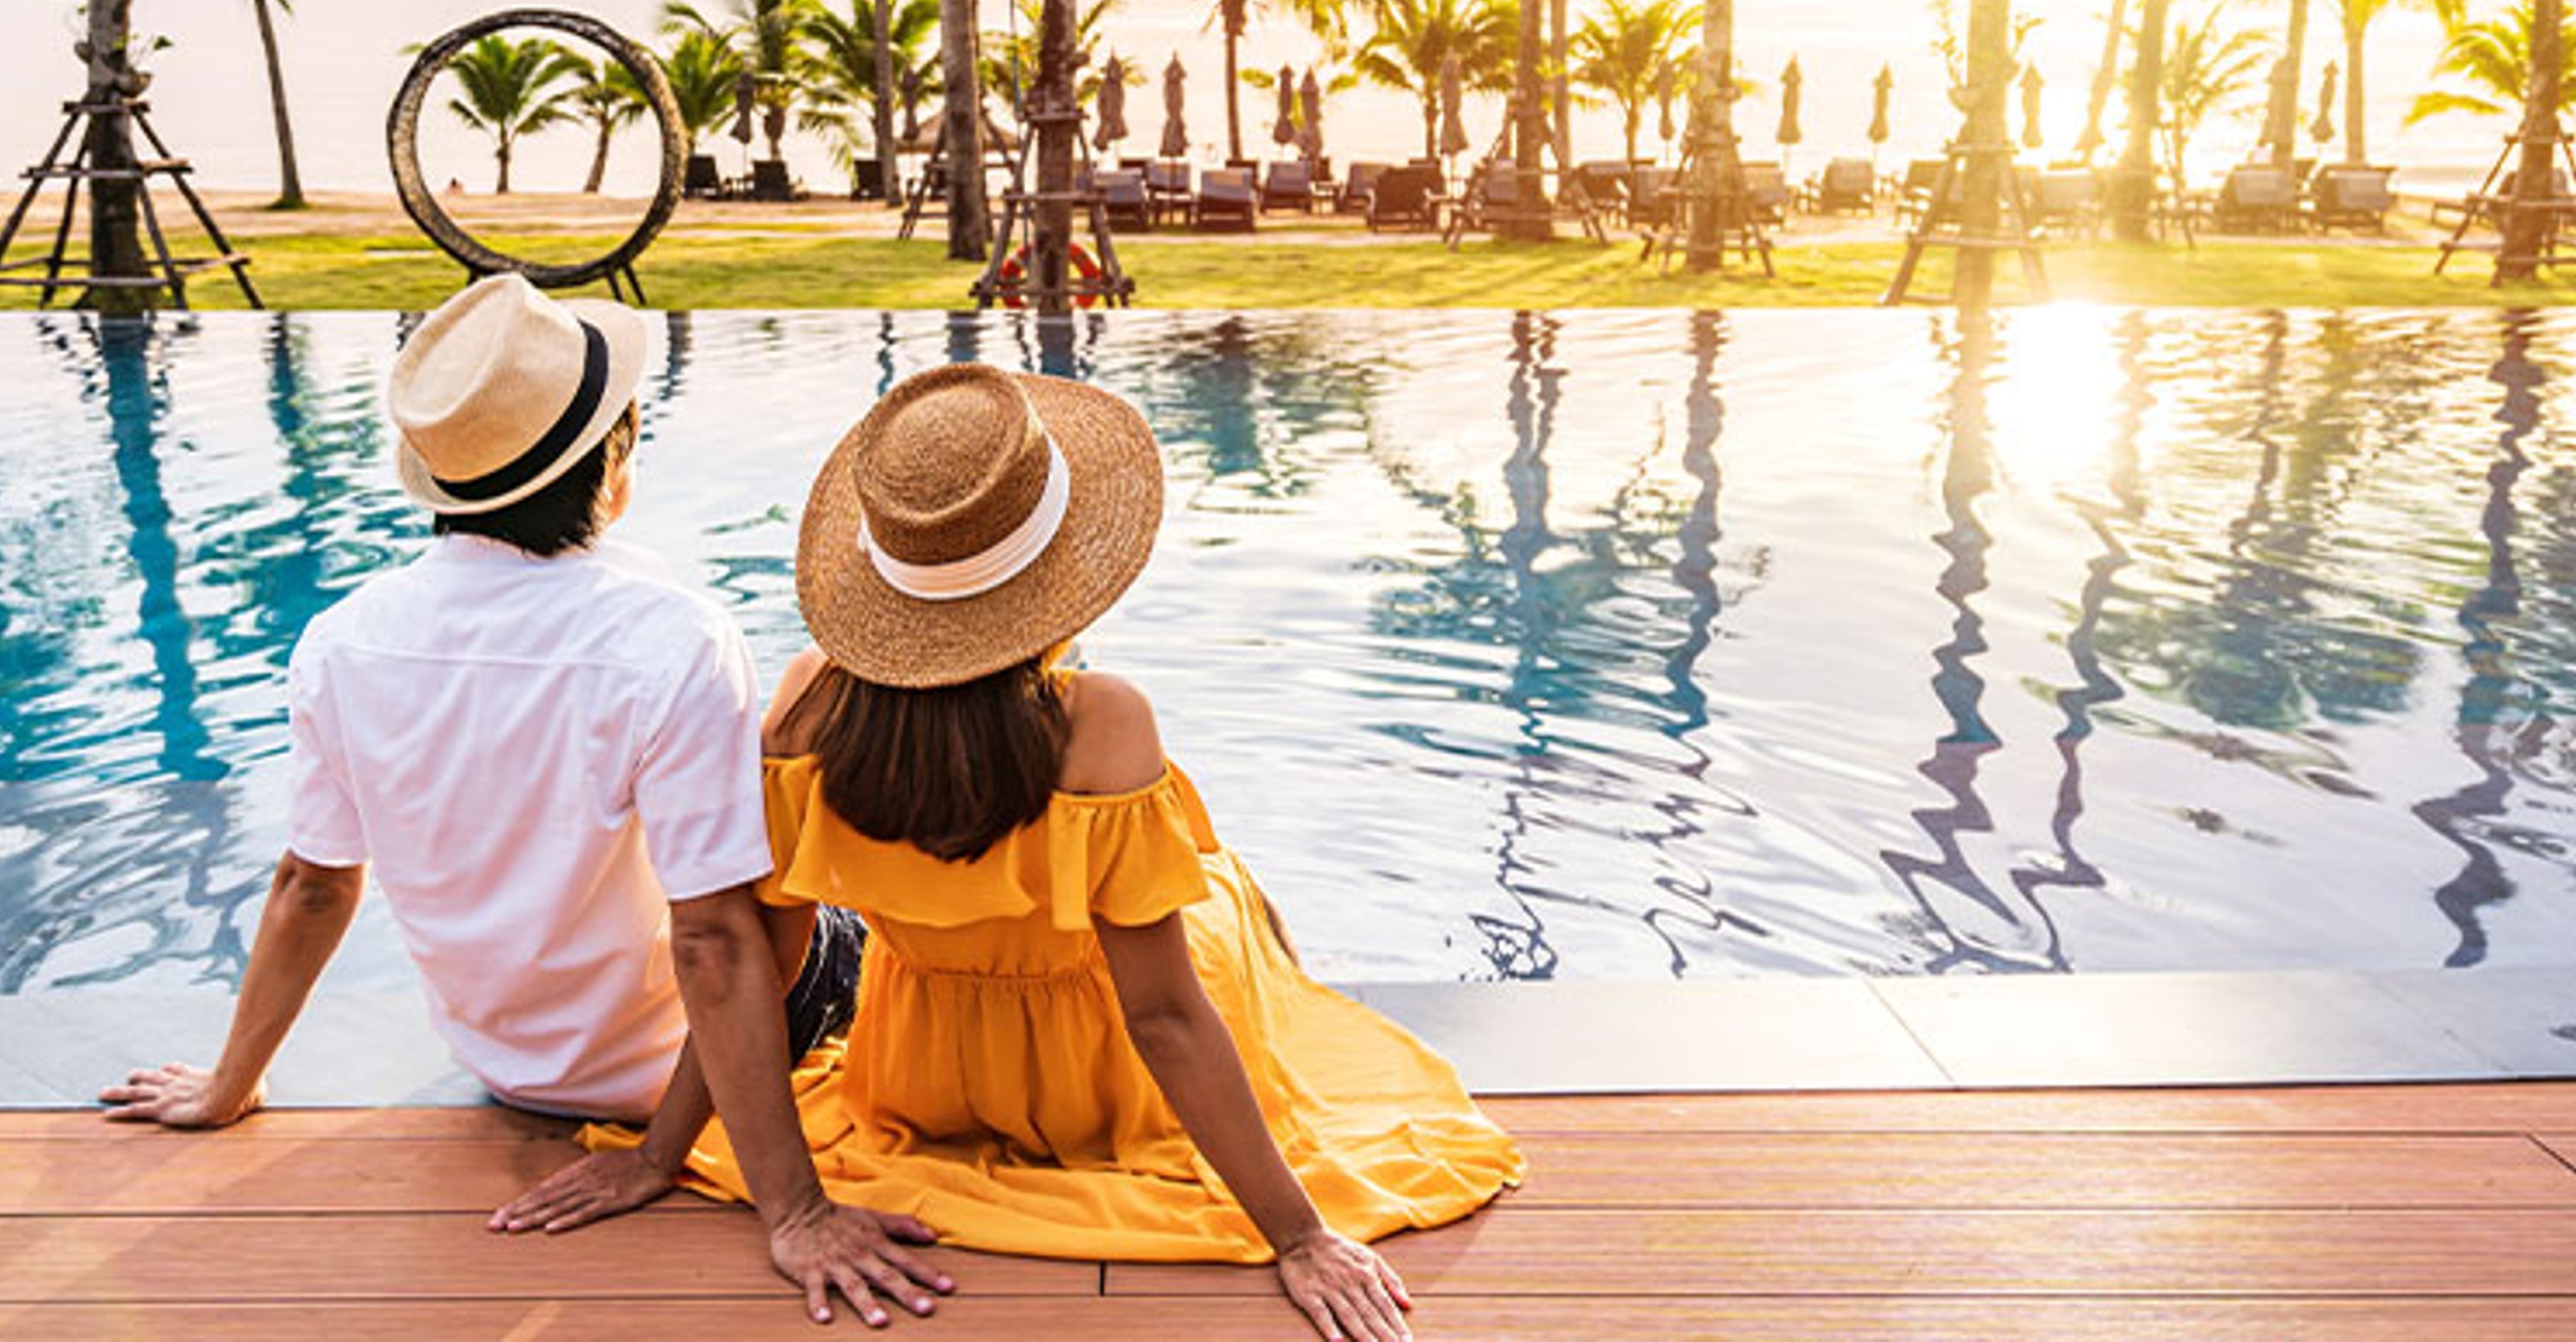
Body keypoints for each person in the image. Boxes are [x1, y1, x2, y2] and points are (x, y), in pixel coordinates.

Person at [495, 364, 1520, 1342]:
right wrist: (1300, 1235)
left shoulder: (807, 705)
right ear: (1060, 568)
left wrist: (669, 1158)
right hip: (1108, 1092)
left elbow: (747, 963)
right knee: (1222, 887)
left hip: (916, 1082)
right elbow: (1162, 1017)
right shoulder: (1101, 722)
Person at [100, 276, 950, 1328]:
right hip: (672, 1070)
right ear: (618, 454)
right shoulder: (669, 636)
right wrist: (791, 1207)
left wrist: (230, 1084)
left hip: (511, 1068)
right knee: (850, 894)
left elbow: (313, 883)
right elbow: (721, 944)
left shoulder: (341, 641)